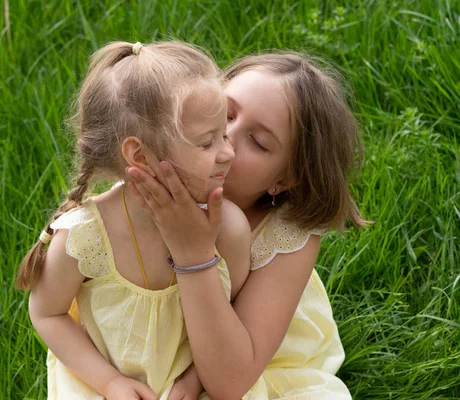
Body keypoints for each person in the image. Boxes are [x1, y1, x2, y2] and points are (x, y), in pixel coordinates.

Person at [15, 41, 251, 400]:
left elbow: (231, 316)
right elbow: (47, 314)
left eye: (224, 133)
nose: (228, 152)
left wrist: (193, 380)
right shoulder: (87, 237)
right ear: (140, 155)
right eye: (207, 143)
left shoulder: (229, 228)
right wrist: (109, 383)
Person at [127, 52, 366, 400]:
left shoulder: (285, 237)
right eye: (225, 114)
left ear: (283, 180)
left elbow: (229, 383)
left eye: (258, 142)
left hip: (243, 358)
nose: (225, 140)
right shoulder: (158, 173)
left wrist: (192, 254)